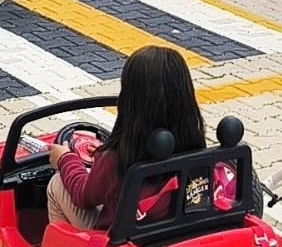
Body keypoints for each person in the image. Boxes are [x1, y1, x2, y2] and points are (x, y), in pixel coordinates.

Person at [47, 46, 206, 230]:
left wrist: (65, 159)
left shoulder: (117, 160)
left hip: (123, 238)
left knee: (57, 184)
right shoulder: (195, 147)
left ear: (130, 101)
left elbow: (84, 196)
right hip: (176, 230)